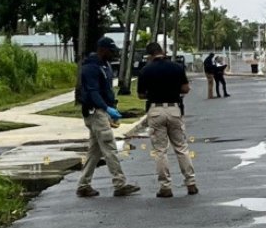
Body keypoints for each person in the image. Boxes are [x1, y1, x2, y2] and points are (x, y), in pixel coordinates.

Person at [75, 37, 140, 198]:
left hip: (102, 111)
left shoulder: (105, 66)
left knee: (95, 151)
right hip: (95, 111)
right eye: (111, 51)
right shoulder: (91, 67)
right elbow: (93, 91)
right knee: (110, 147)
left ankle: (83, 185)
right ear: (102, 49)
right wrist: (105, 108)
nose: (113, 53)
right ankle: (120, 184)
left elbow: (107, 91)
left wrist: (112, 108)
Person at [137, 42, 199, 198]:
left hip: (155, 110)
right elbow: (185, 89)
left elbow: (141, 95)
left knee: (160, 151)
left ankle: (166, 186)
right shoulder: (176, 67)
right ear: (162, 52)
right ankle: (191, 183)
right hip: (174, 108)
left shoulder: (146, 70)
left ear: (149, 55)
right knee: (181, 147)